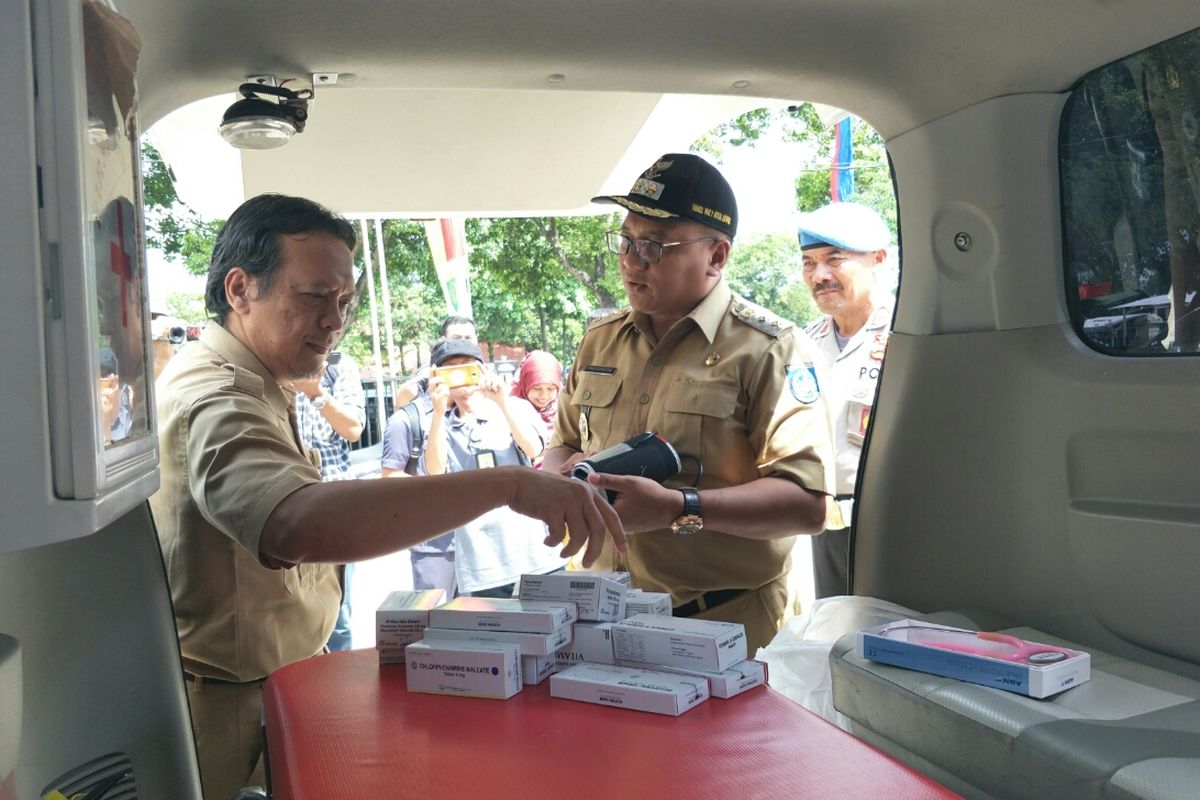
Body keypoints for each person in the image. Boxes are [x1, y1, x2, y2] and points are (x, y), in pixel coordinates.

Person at [150, 193, 623, 800]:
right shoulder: (221, 396)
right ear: (241, 289)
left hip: (265, 690)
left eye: (344, 301)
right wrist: (507, 483)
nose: (334, 320)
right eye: (315, 296)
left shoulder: (258, 381)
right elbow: (293, 523)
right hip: (228, 716)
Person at [542, 153, 835, 653]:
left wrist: (679, 509)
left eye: (654, 246)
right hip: (600, 619)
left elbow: (806, 506)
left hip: (725, 625)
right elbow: (563, 443)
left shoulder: (770, 350)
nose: (632, 260)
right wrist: (561, 478)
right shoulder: (600, 340)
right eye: (627, 240)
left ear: (716, 257)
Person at [796, 202, 894, 599]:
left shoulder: (906, 337)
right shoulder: (803, 343)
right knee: (833, 637)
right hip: (826, 523)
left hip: (892, 521)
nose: (819, 275)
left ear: (878, 259)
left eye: (834, 259)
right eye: (808, 262)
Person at [423, 337, 567, 596]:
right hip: (483, 568)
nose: (460, 375)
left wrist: (501, 403)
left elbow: (534, 449)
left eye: (466, 366)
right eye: (450, 369)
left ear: (482, 369)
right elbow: (434, 471)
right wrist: (436, 411)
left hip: (536, 554)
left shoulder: (515, 406)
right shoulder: (439, 423)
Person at [292, 350, 366, 651]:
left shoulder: (341, 366)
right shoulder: (273, 366)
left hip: (334, 511)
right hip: (287, 507)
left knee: (338, 616)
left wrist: (315, 393)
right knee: (288, 615)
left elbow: (352, 429)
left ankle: (338, 694)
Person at [510, 350, 564, 457]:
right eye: (537, 388)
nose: (544, 396)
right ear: (525, 383)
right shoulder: (510, 409)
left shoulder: (566, 410)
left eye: (550, 389)